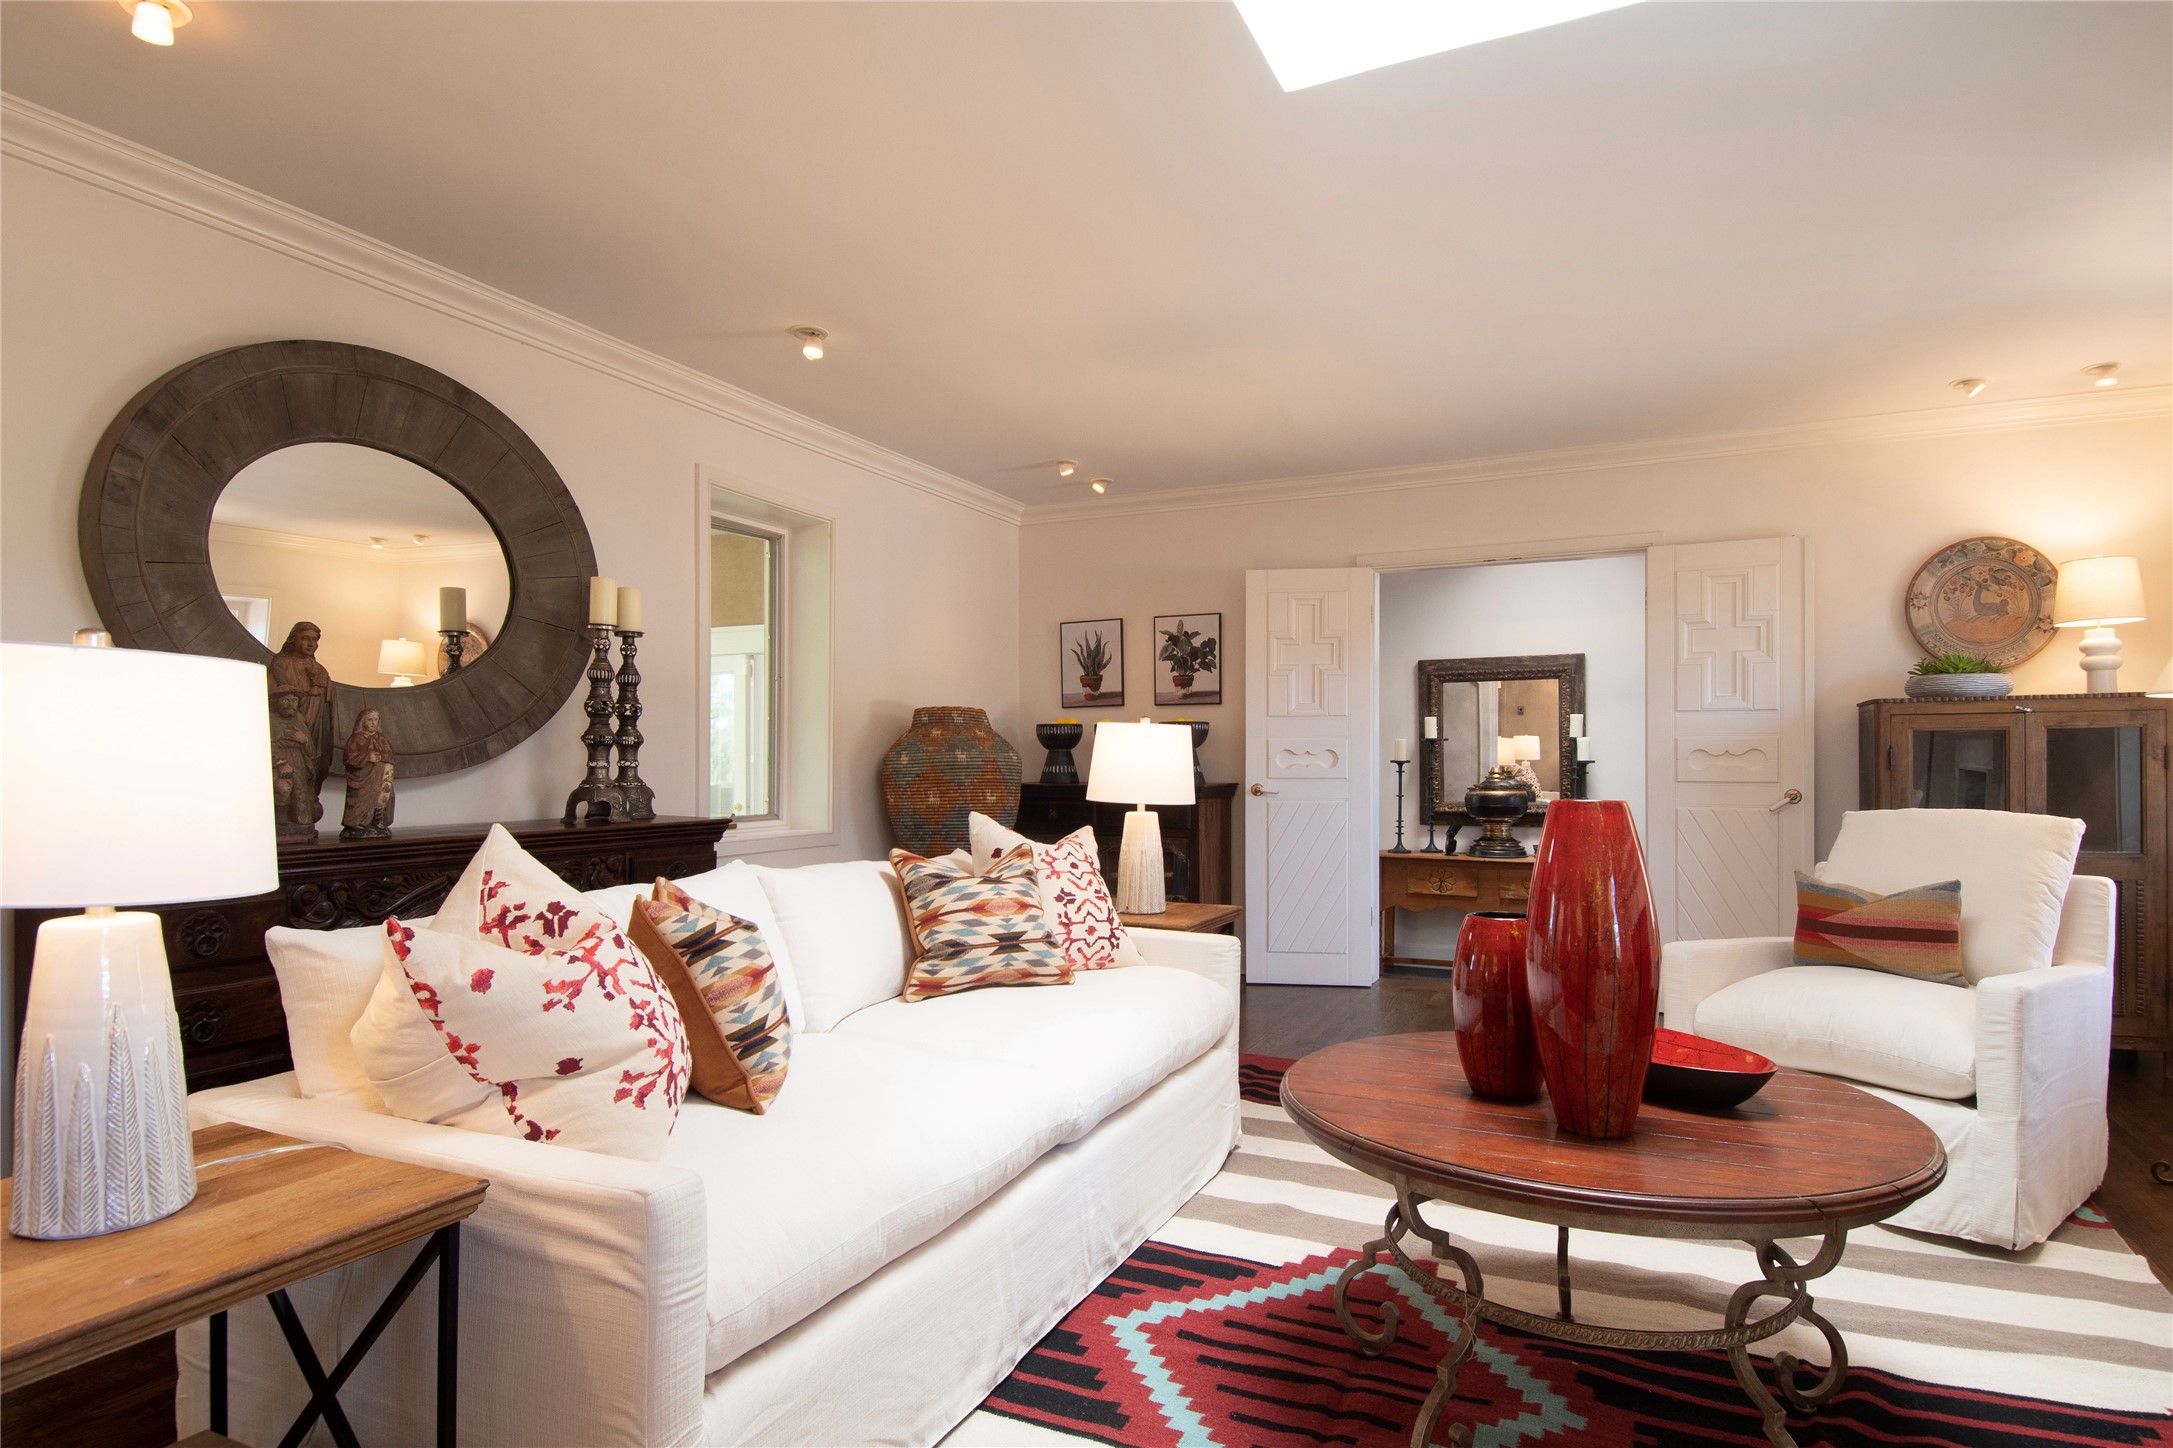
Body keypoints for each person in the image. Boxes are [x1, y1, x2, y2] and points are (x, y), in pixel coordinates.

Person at [268, 621, 335, 778]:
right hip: (287, 721)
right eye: (305, 638)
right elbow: (271, 695)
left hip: (316, 721)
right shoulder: (280, 664)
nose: (311, 644)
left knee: (312, 764)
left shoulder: (320, 670)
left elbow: (328, 705)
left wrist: (319, 686)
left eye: (314, 639)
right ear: (294, 639)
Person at [268, 688, 321, 840]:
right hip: (280, 763)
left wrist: (304, 740)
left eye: (294, 700)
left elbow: (311, 751)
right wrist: (280, 763)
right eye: (285, 700)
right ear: (276, 702)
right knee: (284, 789)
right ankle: (281, 820)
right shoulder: (270, 721)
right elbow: (268, 745)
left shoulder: (299, 722)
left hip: (299, 761)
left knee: (300, 794)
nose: (290, 704)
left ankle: (298, 820)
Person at [340, 709, 395, 840]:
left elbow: (390, 755)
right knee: (362, 797)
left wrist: (381, 757)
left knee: (383, 794)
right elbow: (348, 758)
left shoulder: (381, 738)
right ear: (363, 722)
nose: (373, 723)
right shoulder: (356, 738)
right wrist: (367, 757)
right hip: (363, 776)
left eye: (376, 719)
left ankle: (378, 820)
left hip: (380, 775)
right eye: (370, 720)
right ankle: (356, 823)